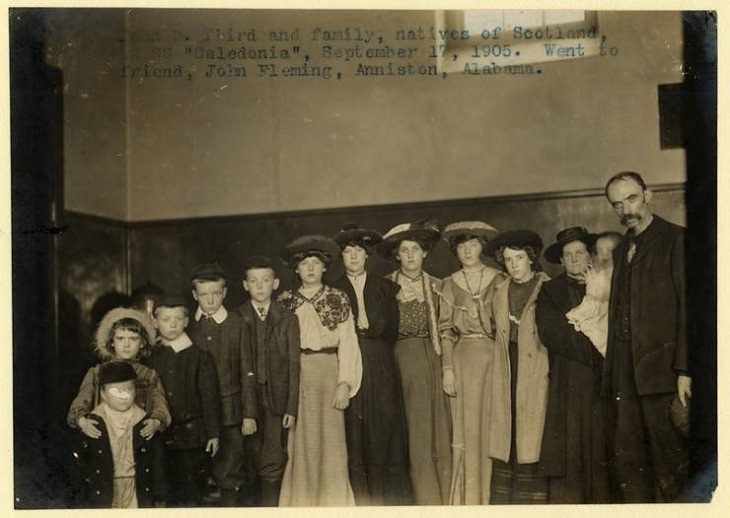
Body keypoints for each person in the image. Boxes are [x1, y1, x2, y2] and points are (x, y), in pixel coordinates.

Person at [603, 171, 689, 502]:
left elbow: (690, 309)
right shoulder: (622, 247)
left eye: (632, 198)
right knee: (631, 465)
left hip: (663, 374)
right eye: (617, 203)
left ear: (648, 195)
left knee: (670, 465)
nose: (626, 208)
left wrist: (685, 369)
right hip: (625, 376)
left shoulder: (676, 239)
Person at [276, 235, 363, 506]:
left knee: (331, 442)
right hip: (296, 373)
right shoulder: (284, 301)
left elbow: (349, 343)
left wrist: (345, 384)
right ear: (296, 269)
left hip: (328, 371)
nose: (310, 268)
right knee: (299, 442)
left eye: (316, 263)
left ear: (325, 267)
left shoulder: (338, 298)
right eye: (304, 264)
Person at [331, 224, 411, 505]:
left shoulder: (384, 287)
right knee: (354, 428)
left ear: (367, 256)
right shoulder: (333, 290)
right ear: (341, 257)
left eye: (359, 252)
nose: (353, 257)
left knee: (384, 425)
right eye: (347, 252)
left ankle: (386, 501)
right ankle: (361, 502)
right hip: (348, 361)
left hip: (379, 360)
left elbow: (392, 331)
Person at [376, 219, 452, 505]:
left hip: (433, 356)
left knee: (438, 427)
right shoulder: (385, 287)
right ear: (397, 255)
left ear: (424, 253)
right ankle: (420, 498)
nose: (410, 255)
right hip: (399, 361)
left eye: (415, 250)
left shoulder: (438, 285)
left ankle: (442, 496)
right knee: (412, 429)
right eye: (404, 250)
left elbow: (446, 328)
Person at [535, 226, 611, 503]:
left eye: (580, 252)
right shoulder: (549, 291)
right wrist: (594, 349)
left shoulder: (608, 283)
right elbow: (552, 332)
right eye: (569, 255)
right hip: (569, 376)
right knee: (571, 441)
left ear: (590, 255)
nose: (575, 259)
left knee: (603, 438)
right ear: (562, 260)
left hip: (606, 375)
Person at [437, 221, 505, 505]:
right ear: (456, 250)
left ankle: (491, 497)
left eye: (473, 244)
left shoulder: (500, 279)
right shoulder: (449, 284)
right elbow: (446, 331)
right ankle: (467, 499)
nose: (467, 250)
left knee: (492, 425)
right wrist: (448, 368)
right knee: (465, 427)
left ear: (483, 247)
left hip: (494, 360)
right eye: (462, 246)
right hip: (463, 362)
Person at [484, 230, 550, 504]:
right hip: (507, 364)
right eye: (508, 260)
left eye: (519, 258)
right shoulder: (499, 291)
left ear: (531, 259)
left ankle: (531, 500)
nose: (513, 265)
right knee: (507, 427)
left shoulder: (546, 288)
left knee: (533, 429)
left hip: (536, 365)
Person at [187, 262, 258, 506]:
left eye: (215, 293)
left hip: (230, 413)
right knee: (196, 472)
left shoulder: (237, 324)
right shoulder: (187, 326)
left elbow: (247, 371)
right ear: (195, 295)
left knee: (230, 471)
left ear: (225, 293)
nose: (210, 300)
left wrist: (249, 414)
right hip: (196, 413)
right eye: (204, 295)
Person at [237, 255, 300, 506]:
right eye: (254, 281)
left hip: (277, 398)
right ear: (245, 285)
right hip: (247, 398)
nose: (260, 286)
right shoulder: (237, 317)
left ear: (275, 284)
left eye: (265, 280)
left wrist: (291, 407)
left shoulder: (287, 318)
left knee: (273, 459)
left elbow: (294, 365)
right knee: (249, 459)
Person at [149, 293, 222, 507]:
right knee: (162, 488)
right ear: (155, 322)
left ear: (186, 321)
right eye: (165, 319)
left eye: (178, 319)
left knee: (190, 491)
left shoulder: (199, 356)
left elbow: (209, 397)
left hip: (191, 435)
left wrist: (213, 433)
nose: (172, 324)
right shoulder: (150, 356)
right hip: (159, 435)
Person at [67, 307, 171, 441]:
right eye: (120, 338)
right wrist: (83, 423)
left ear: (142, 343)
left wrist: (155, 422)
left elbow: (161, 408)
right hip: (104, 440)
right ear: (111, 342)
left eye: (133, 339)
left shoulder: (150, 376)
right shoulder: (97, 373)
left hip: (137, 440)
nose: (126, 345)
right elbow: (77, 406)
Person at [71, 361, 157, 508]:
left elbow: (156, 460)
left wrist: (160, 493)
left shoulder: (144, 421)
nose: (123, 396)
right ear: (103, 394)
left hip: (135, 486)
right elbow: (83, 462)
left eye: (129, 390)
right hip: (105, 485)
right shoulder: (93, 422)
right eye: (116, 391)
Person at [565, 231, 622, 357]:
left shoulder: (618, 274)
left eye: (608, 250)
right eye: (599, 250)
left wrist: (591, 281)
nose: (603, 254)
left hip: (607, 311)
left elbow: (604, 291)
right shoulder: (597, 271)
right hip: (594, 308)